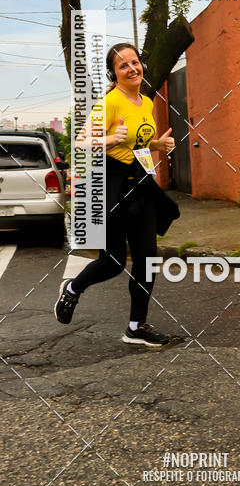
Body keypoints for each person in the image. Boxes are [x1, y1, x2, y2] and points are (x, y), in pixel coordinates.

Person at [54, 43, 179, 347]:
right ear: (114, 73)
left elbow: (137, 144)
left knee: (147, 259)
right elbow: (81, 143)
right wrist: (110, 138)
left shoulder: (146, 102)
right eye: (124, 65)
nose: (132, 69)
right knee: (112, 261)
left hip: (140, 185)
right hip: (111, 186)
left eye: (135, 62)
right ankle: (72, 289)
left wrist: (157, 146)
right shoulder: (109, 103)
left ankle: (136, 326)